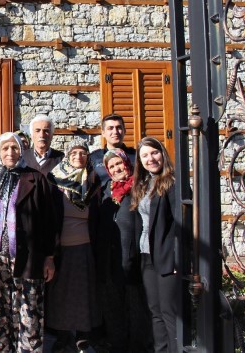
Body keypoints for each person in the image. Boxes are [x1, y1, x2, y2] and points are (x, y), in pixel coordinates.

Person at [0, 132, 58, 353]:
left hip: (28, 258)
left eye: (14, 148)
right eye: (4, 148)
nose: (9, 153)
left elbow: (49, 223)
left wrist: (50, 257)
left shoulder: (35, 179)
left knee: (29, 313)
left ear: (21, 150)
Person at [46, 139, 102, 353]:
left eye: (83, 153)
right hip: (61, 246)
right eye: (74, 153)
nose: (79, 157)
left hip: (85, 246)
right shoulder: (55, 179)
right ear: (67, 156)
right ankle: (62, 335)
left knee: (83, 293)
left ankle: (82, 336)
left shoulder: (94, 180)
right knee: (60, 293)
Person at [96, 149, 152, 352]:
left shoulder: (140, 188)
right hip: (110, 260)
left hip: (133, 260)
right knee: (113, 308)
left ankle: (138, 347)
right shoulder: (108, 191)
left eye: (119, 164)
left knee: (136, 309)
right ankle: (117, 344)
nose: (116, 168)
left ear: (127, 163)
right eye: (111, 167)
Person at [131, 137, 178, 353]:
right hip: (146, 255)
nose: (151, 159)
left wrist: (178, 258)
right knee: (155, 311)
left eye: (154, 153)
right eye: (145, 156)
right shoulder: (144, 184)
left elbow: (181, 225)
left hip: (166, 256)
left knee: (169, 311)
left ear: (162, 154)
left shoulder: (172, 183)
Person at [88, 113, 136, 201]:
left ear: (124, 130)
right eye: (110, 128)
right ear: (103, 133)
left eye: (119, 127)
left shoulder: (136, 156)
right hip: (104, 210)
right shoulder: (93, 158)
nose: (115, 132)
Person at [22, 114, 64, 178]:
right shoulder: (22, 157)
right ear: (31, 135)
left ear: (52, 135)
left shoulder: (61, 158)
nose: (42, 135)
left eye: (46, 131)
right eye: (37, 131)